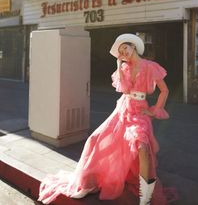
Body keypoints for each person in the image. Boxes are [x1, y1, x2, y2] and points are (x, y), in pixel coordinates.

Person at [38, 33, 172, 205]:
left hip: (140, 113)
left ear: (134, 46)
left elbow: (164, 90)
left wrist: (155, 110)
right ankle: (86, 182)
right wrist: (119, 66)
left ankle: (145, 199)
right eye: (121, 51)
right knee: (96, 139)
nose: (124, 52)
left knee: (143, 149)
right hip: (124, 109)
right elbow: (123, 90)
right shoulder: (124, 68)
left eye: (125, 48)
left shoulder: (151, 66)